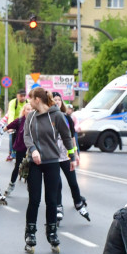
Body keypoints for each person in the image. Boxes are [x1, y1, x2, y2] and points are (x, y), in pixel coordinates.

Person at [21, 88, 75, 253]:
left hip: (52, 162)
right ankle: (30, 234)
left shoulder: (57, 116)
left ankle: (52, 233)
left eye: (30, 99)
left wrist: (72, 157)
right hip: (35, 163)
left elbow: (67, 136)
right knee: (34, 199)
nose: (28, 102)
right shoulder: (30, 117)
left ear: (37, 99)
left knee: (52, 200)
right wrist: (33, 150)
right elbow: (27, 136)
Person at [52, 93, 89, 222]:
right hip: (53, 157)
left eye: (59, 100)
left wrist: (75, 154)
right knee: (57, 184)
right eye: (54, 100)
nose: (57, 102)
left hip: (66, 156)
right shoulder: (47, 117)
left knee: (72, 181)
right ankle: (58, 207)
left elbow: (72, 137)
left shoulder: (67, 118)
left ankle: (78, 202)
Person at [4, 103, 31, 197]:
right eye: (27, 109)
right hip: (21, 148)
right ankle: (11, 186)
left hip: (32, 149)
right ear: (24, 111)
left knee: (32, 169)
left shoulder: (36, 121)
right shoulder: (20, 121)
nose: (29, 111)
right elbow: (7, 127)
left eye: (31, 109)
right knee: (17, 166)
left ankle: (31, 188)